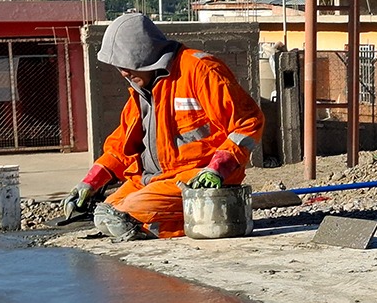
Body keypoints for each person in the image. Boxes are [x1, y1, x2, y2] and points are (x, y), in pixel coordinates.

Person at [63, 12, 265, 241]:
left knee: (121, 216)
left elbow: (247, 122)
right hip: (154, 180)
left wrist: (218, 168)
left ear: (145, 55)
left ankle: (170, 225)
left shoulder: (199, 70)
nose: (123, 73)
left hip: (196, 178)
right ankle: (166, 223)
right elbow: (121, 147)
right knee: (104, 216)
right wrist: (90, 182)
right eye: (119, 67)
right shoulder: (142, 90)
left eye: (127, 65)